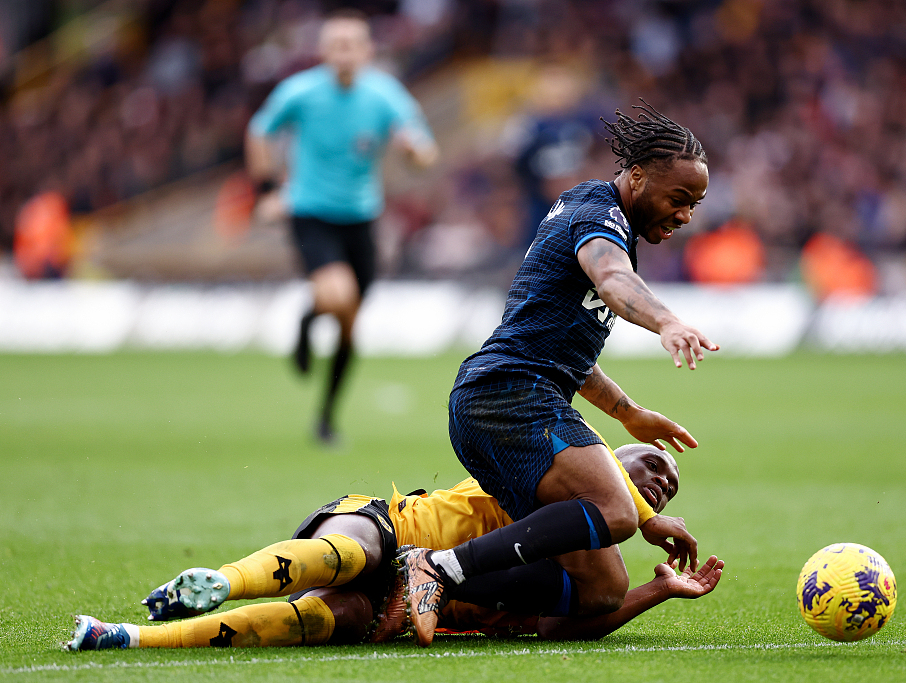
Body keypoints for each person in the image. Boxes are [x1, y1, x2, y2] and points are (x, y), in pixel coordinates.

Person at [391, 100, 719, 646]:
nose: (686, 214)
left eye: (696, 203)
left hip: (499, 399)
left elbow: (566, 351)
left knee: (601, 588)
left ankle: (407, 588)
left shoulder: (593, 213)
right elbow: (613, 279)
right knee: (613, 510)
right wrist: (666, 321)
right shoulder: (600, 215)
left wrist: (628, 412)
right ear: (636, 178)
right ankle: (437, 569)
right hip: (511, 396)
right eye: (679, 198)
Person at [64, 445, 723, 650]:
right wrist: (635, 506)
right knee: (350, 554)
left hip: (405, 613)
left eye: (669, 484)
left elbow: (564, 624)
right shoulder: (554, 462)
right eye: (654, 462)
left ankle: (127, 636)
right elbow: (593, 473)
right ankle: (223, 578)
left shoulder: (592, 560)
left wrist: (658, 589)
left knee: (328, 618)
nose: (663, 478)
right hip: (396, 526)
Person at [246, 9, 438, 445]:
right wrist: (265, 193)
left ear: (368, 51)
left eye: (352, 44)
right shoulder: (300, 92)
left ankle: (326, 415)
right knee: (340, 296)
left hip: (361, 219)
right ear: (323, 52)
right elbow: (259, 132)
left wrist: (412, 151)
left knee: (349, 322)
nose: (344, 53)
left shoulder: (385, 95)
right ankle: (312, 318)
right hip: (311, 212)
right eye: (336, 44)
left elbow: (425, 149)